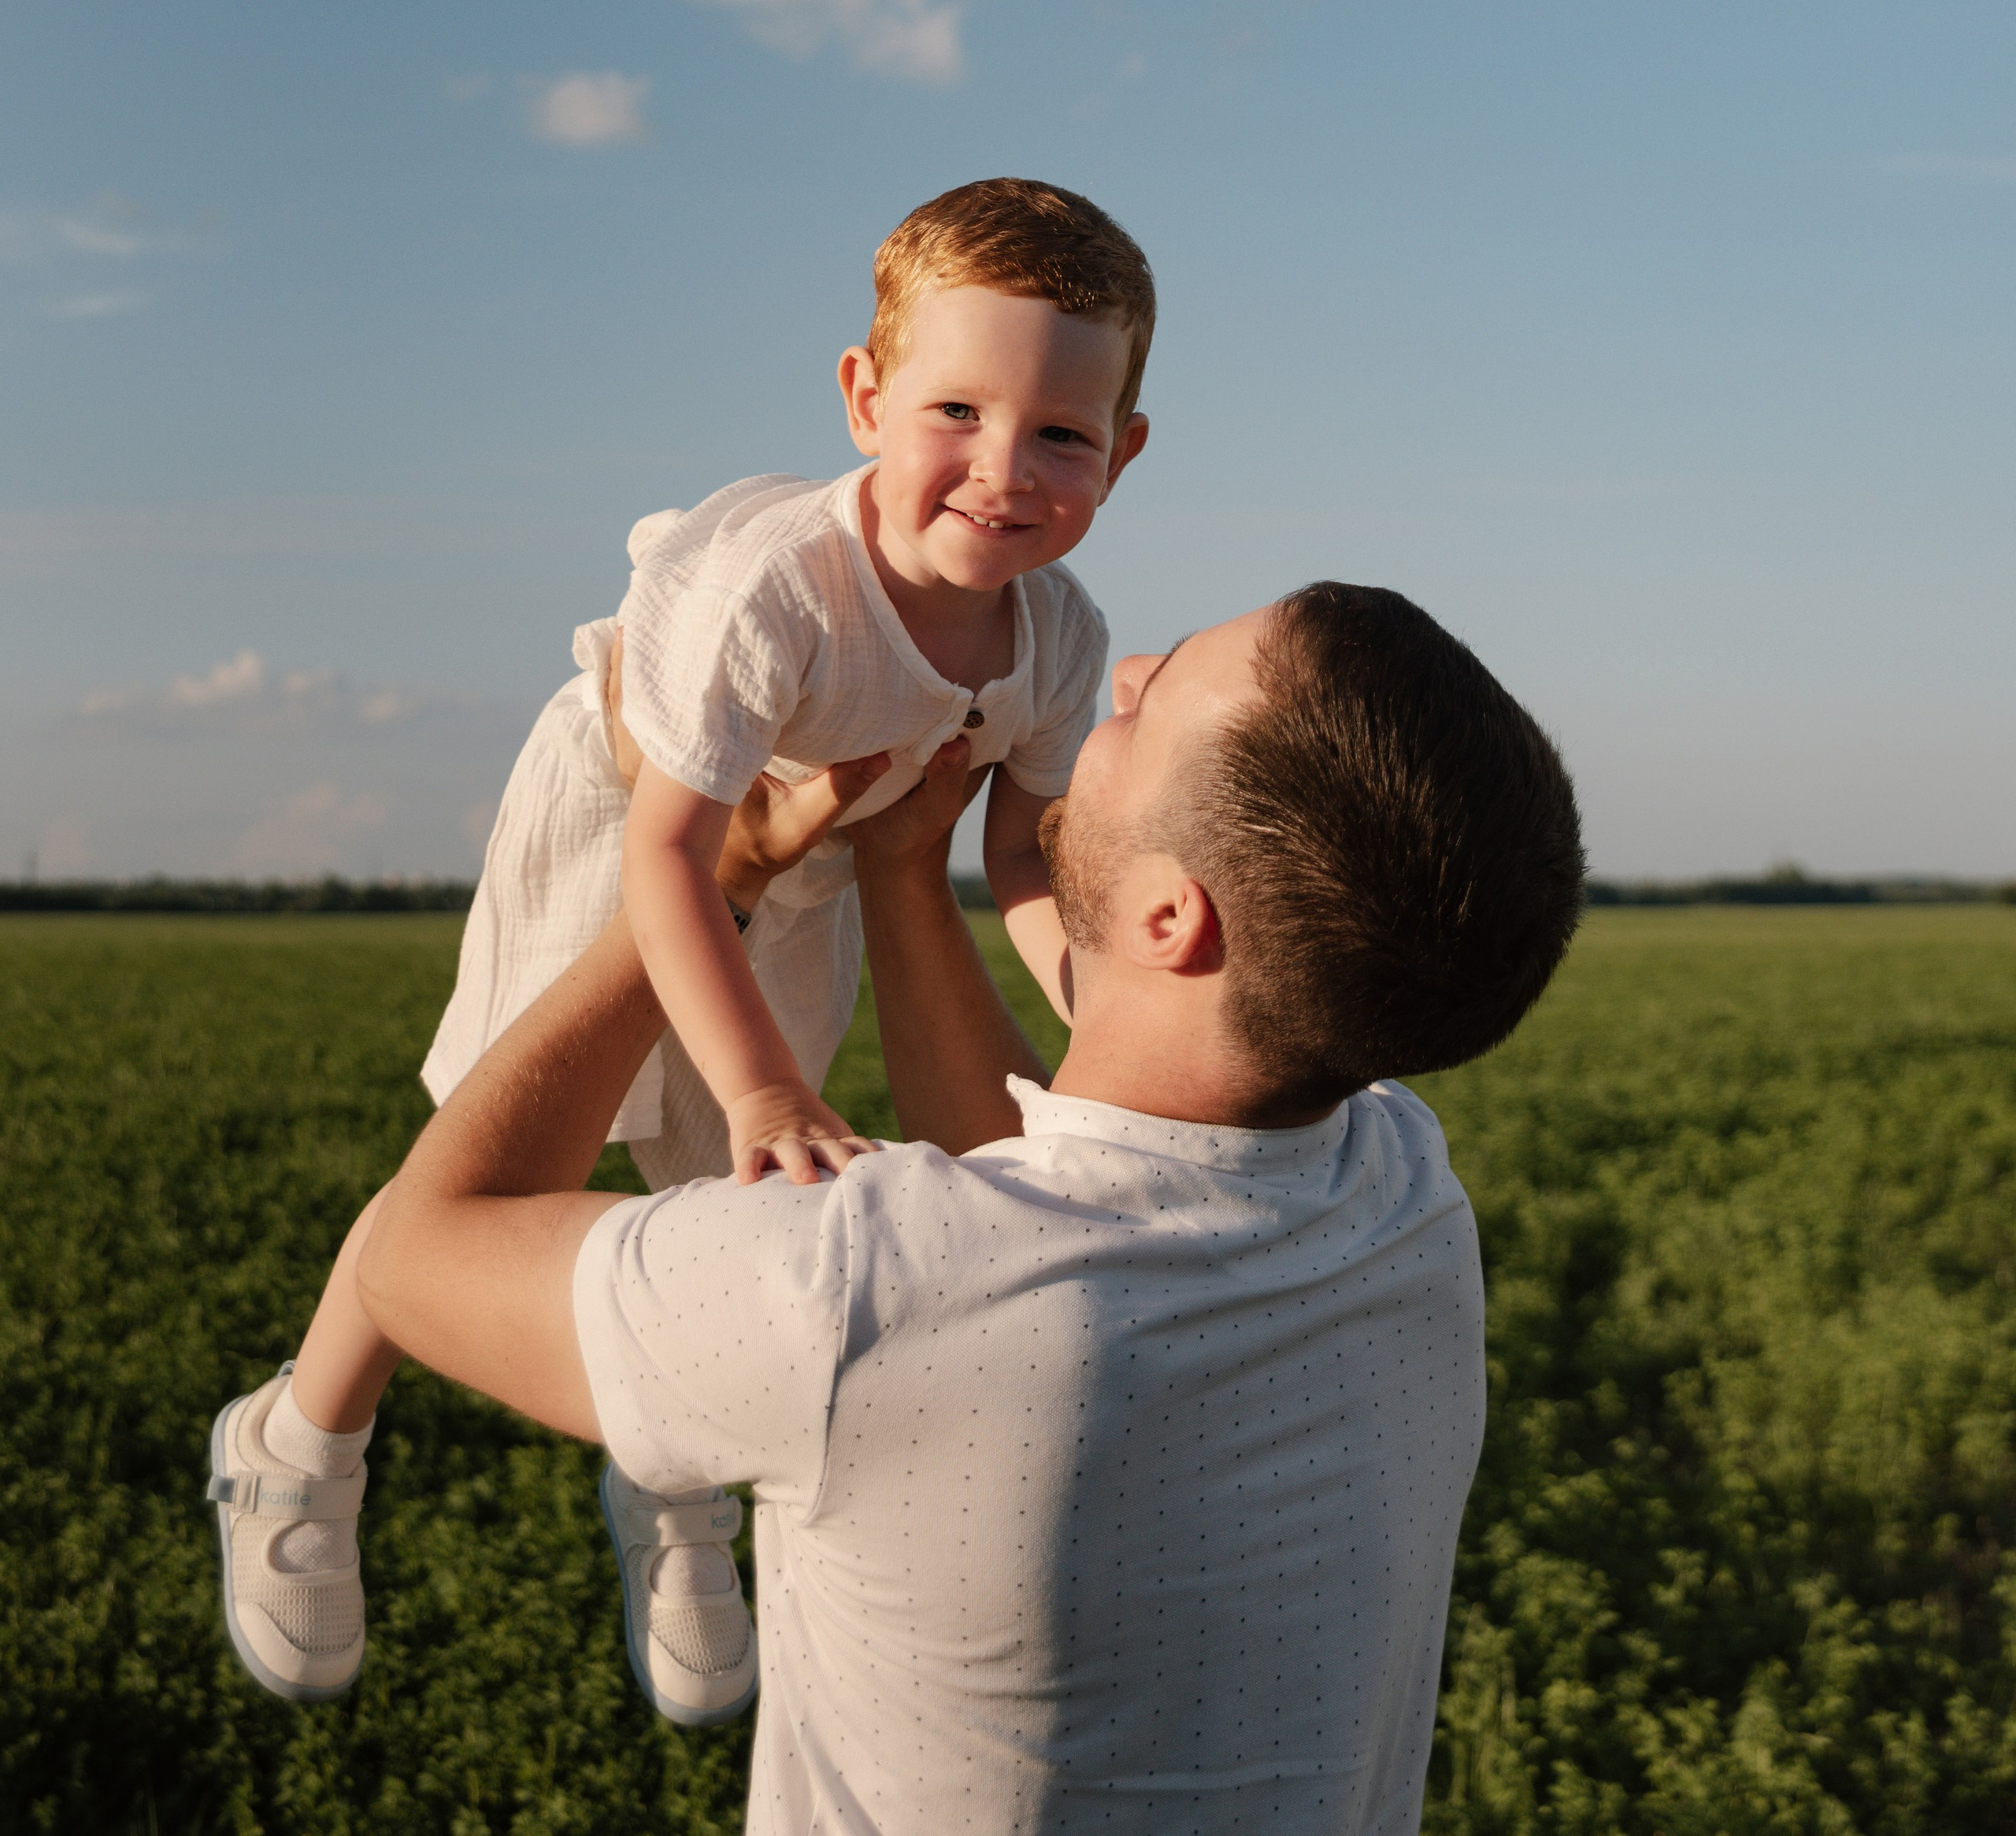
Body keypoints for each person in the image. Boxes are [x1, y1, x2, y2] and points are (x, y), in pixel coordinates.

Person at [353, 581, 1585, 1835]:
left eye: (1154, 701)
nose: (1126, 669)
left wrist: (705, 882)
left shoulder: (856, 1294)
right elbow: (1057, 1191)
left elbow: (414, 1250)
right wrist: (904, 871)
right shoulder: (1402, 1196)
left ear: (1171, 916)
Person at [206, 177, 1153, 1712]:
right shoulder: (782, 590)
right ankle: (296, 1442)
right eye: (955, 411)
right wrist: (774, 1079)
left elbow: (1027, 857)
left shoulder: (1062, 638)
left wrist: (1096, 1032)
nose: (1000, 469)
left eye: (1058, 433)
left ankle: (676, 1478)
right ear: (863, 396)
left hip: (813, 864)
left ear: (1121, 451)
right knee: (501, 1148)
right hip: (618, 821)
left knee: (725, 1181)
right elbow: (663, 849)